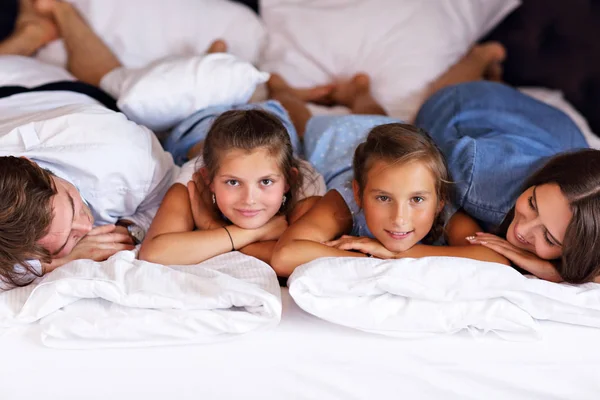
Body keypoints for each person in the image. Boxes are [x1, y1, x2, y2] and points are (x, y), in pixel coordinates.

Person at [0, 0, 180, 287]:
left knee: (111, 82)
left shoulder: (123, 151)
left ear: (32, 164)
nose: (86, 226)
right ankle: (29, 35)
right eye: (66, 240)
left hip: (57, 90)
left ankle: (61, 10)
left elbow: (172, 191)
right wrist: (57, 264)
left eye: (72, 204)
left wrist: (132, 230)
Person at [268, 71, 454, 277]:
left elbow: (493, 258)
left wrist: (393, 255)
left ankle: (360, 92)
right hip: (338, 146)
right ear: (358, 193)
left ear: (440, 201)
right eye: (383, 198)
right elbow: (285, 255)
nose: (399, 218)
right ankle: (282, 90)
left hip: (383, 139)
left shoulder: (440, 201)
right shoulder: (345, 201)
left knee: (375, 116)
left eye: (417, 199)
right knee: (305, 127)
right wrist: (371, 258)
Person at [138, 106, 326, 265]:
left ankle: (277, 85)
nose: (249, 200)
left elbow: (293, 258)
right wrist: (256, 232)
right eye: (233, 182)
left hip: (276, 119)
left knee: (298, 119)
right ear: (209, 180)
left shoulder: (306, 184)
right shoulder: (192, 183)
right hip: (197, 127)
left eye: (266, 182)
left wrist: (214, 226)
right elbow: (153, 254)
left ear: (288, 181)